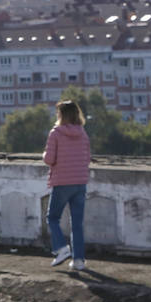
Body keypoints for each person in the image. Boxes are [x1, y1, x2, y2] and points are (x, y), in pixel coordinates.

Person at [44, 100, 92, 271]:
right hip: (80, 182)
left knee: (52, 217)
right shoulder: (83, 133)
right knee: (77, 223)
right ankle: (79, 260)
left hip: (62, 182)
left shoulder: (55, 133)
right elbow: (87, 158)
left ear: (61, 115)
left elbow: (49, 159)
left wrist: (44, 154)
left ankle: (61, 249)